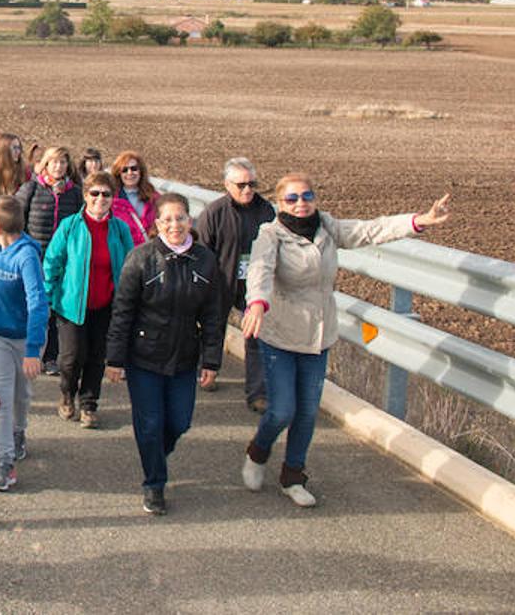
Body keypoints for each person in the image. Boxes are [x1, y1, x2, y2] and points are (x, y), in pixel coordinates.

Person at [241, 175, 453, 507]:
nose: (301, 203)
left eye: (307, 195)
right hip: (280, 333)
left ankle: (293, 476)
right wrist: (257, 303)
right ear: (280, 203)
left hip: (319, 335)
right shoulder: (270, 236)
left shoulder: (327, 227)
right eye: (293, 198)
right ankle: (258, 451)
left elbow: (370, 230)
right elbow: (259, 271)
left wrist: (418, 221)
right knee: (282, 410)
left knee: (308, 412)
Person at [105, 192, 224, 516]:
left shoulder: (205, 261)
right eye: (168, 219)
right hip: (144, 355)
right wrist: (114, 358)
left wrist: (211, 359)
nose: (175, 225)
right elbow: (123, 311)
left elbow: (213, 315)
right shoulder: (141, 258)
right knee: (150, 423)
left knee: (180, 421)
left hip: (184, 356)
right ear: (157, 224)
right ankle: (154, 483)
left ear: (190, 220)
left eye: (181, 218)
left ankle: (155, 454)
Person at [42, 171, 133, 428]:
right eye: (95, 193)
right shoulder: (70, 226)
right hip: (71, 306)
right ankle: (67, 395)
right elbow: (52, 262)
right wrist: (48, 297)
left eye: (106, 194)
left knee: (96, 357)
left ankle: (89, 404)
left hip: (105, 305)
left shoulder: (120, 229)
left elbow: (130, 266)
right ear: (85, 195)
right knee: (71, 358)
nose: (100, 199)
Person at [0, 196, 49, 491]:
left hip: (23, 339)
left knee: (21, 394)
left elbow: (38, 304)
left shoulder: (26, 257)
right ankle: (5, 464)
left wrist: (33, 350)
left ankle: (19, 432)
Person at [194, 157, 276, 407]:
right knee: (212, 328)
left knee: (256, 333)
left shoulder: (266, 211)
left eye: (252, 184)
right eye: (241, 185)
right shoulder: (214, 212)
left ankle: (258, 393)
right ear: (227, 185)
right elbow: (202, 250)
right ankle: (209, 371)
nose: (248, 190)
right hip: (221, 281)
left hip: (254, 283)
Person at [17, 146, 83, 376]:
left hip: (63, 263)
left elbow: (79, 227)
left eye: (63, 162)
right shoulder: (31, 189)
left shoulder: (75, 193)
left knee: (55, 309)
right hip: (35, 258)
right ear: (45, 164)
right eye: (54, 162)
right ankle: (26, 350)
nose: (58, 167)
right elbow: (17, 221)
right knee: (32, 305)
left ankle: (51, 356)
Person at [110, 151, 158, 247]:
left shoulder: (154, 197)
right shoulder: (111, 201)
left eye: (134, 168)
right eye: (124, 170)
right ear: (118, 173)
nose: (130, 173)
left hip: (150, 252)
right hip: (126, 254)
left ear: (141, 171)